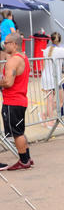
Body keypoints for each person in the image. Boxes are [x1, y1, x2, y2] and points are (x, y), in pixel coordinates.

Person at [0, 33, 34, 170]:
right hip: (20, 100)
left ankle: (24, 160)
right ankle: (27, 158)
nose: (4, 45)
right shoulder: (23, 57)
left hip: (12, 101)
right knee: (20, 131)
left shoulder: (13, 61)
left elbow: (8, 82)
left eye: (6, 42)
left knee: (16, 133)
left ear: (14, 44)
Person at [40, 32, 64, 124]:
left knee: (62, 99)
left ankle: (44, 114)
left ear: (51, 39)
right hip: (50, 78)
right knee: (50, 100)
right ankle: (50, 121)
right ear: (59, 40)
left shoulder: (47, 49)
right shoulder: (60, 50)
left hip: (54, 78)